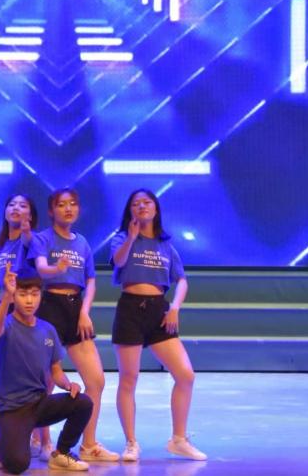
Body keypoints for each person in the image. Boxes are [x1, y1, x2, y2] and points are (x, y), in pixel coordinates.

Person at [110, 189, 206, 461]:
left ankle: (179, 439)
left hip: (159, 312)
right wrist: (131, 237)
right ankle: (131, 443)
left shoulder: (166, 246)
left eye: (147, 202)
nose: (141, 206)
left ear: (155, 208)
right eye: (136, 204)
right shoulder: (121, 238)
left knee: (185, 375)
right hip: (130, 309)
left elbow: (182, 280)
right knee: (129, 378)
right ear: (130, 211)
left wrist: (174, 308)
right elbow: (118, 261)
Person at [31, 188, 119, 462]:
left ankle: (88, 444)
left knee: (96, 380)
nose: (68, 208)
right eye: (61, 204)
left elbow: (90, 280)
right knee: (44, 381)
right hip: (49, 307)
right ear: (51, 210)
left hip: (76, 309)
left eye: (72, 204)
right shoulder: (42, 238)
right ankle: (42, 441)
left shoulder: (82, 243)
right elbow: (41, 268)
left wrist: (85, 312)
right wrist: (56, 269)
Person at [0, 264, 93, 473]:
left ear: (40, 296)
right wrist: (6, 296)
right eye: (23, 294)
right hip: (11, 408)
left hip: (39, 404)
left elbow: (56, 370)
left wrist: (68, 384)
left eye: (34, 294)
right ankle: (2, 441)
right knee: (17, 464)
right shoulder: (7, 325)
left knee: (83, 403)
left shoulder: (48, 329)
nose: (29, 300)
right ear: (15, 296)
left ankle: (61, 452)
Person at [0, 193, 50, 459]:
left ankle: (43, 439)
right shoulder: (0, 247)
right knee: (5, 375)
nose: (16, 208)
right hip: (4, 307)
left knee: (37, 375)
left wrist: (26, 230)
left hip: (25, 308)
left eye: (23, 206)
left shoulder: (30, 241)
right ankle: (4, 432)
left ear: (31, 215)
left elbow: (29, 242)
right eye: (12, 204)